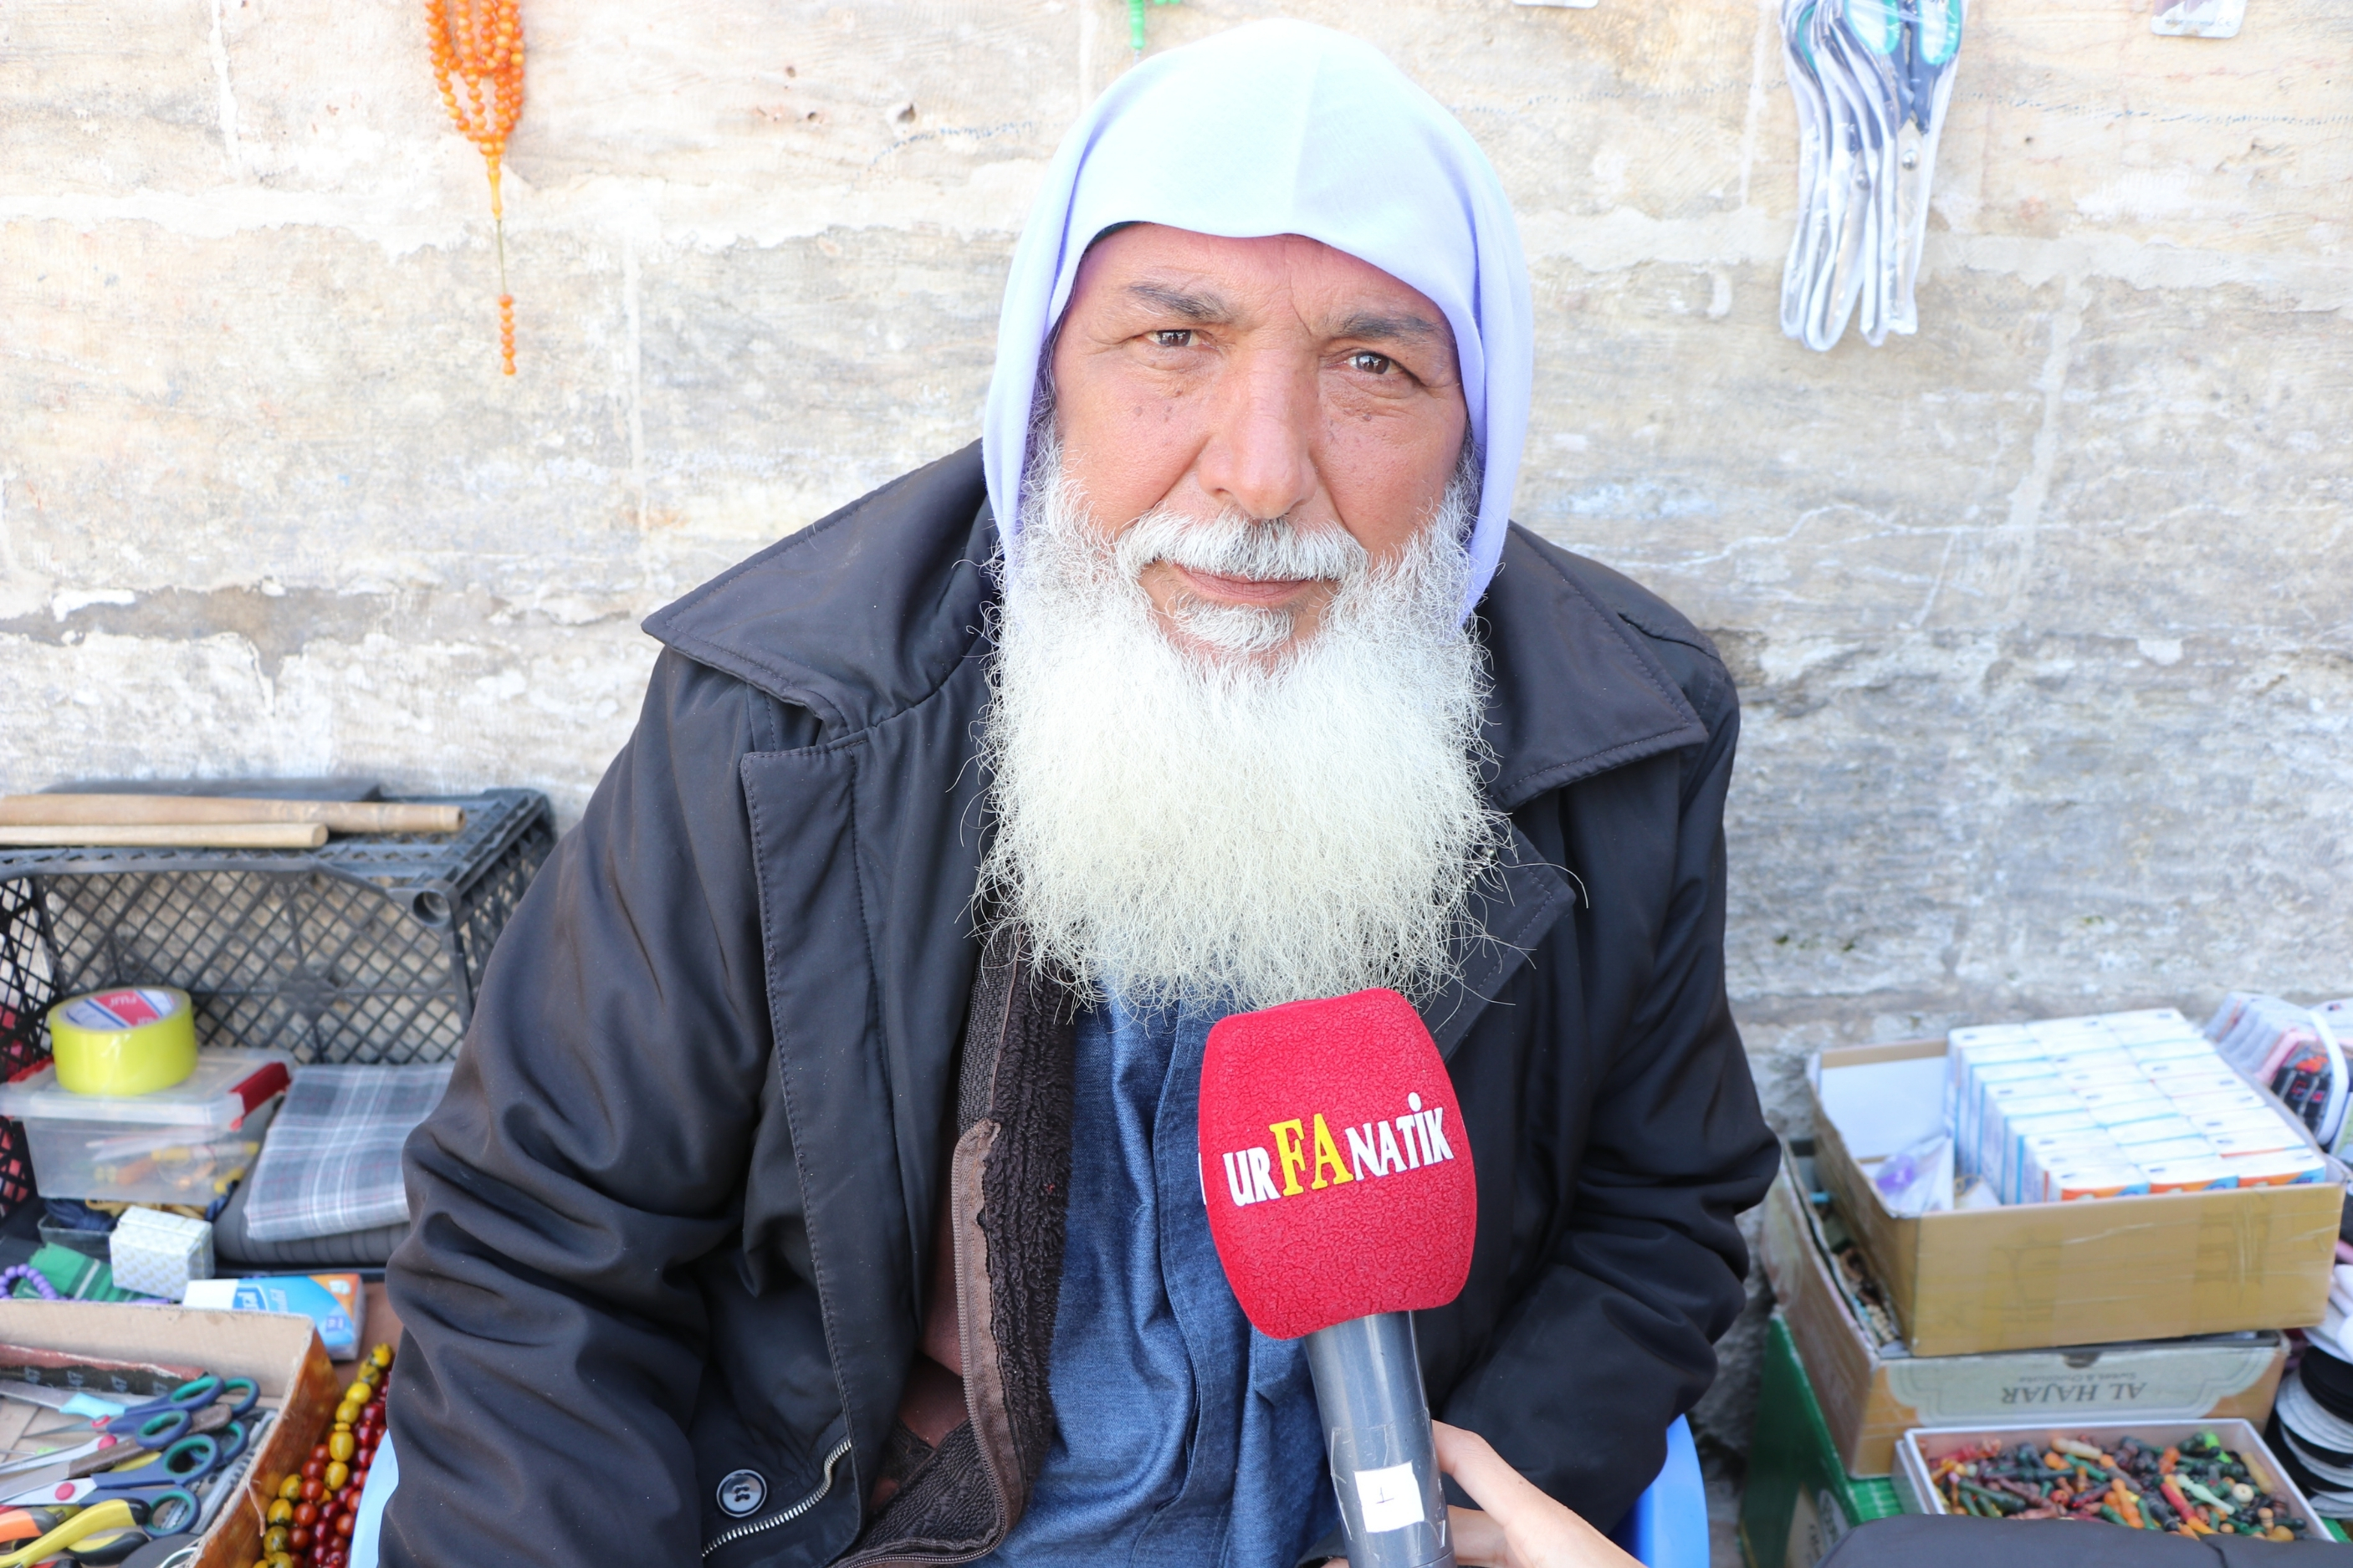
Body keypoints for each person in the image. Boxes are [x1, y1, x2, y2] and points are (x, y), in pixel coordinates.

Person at [382, 20, 1776, 1568]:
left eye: (1372, 368)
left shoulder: (1622, 736)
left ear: (1475, 435)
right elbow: (534, 1252)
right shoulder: (780, 721)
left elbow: (1659, 1207)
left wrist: (1460, 1519)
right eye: (1172, 342)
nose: (1259, 472)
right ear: (1045, 374)